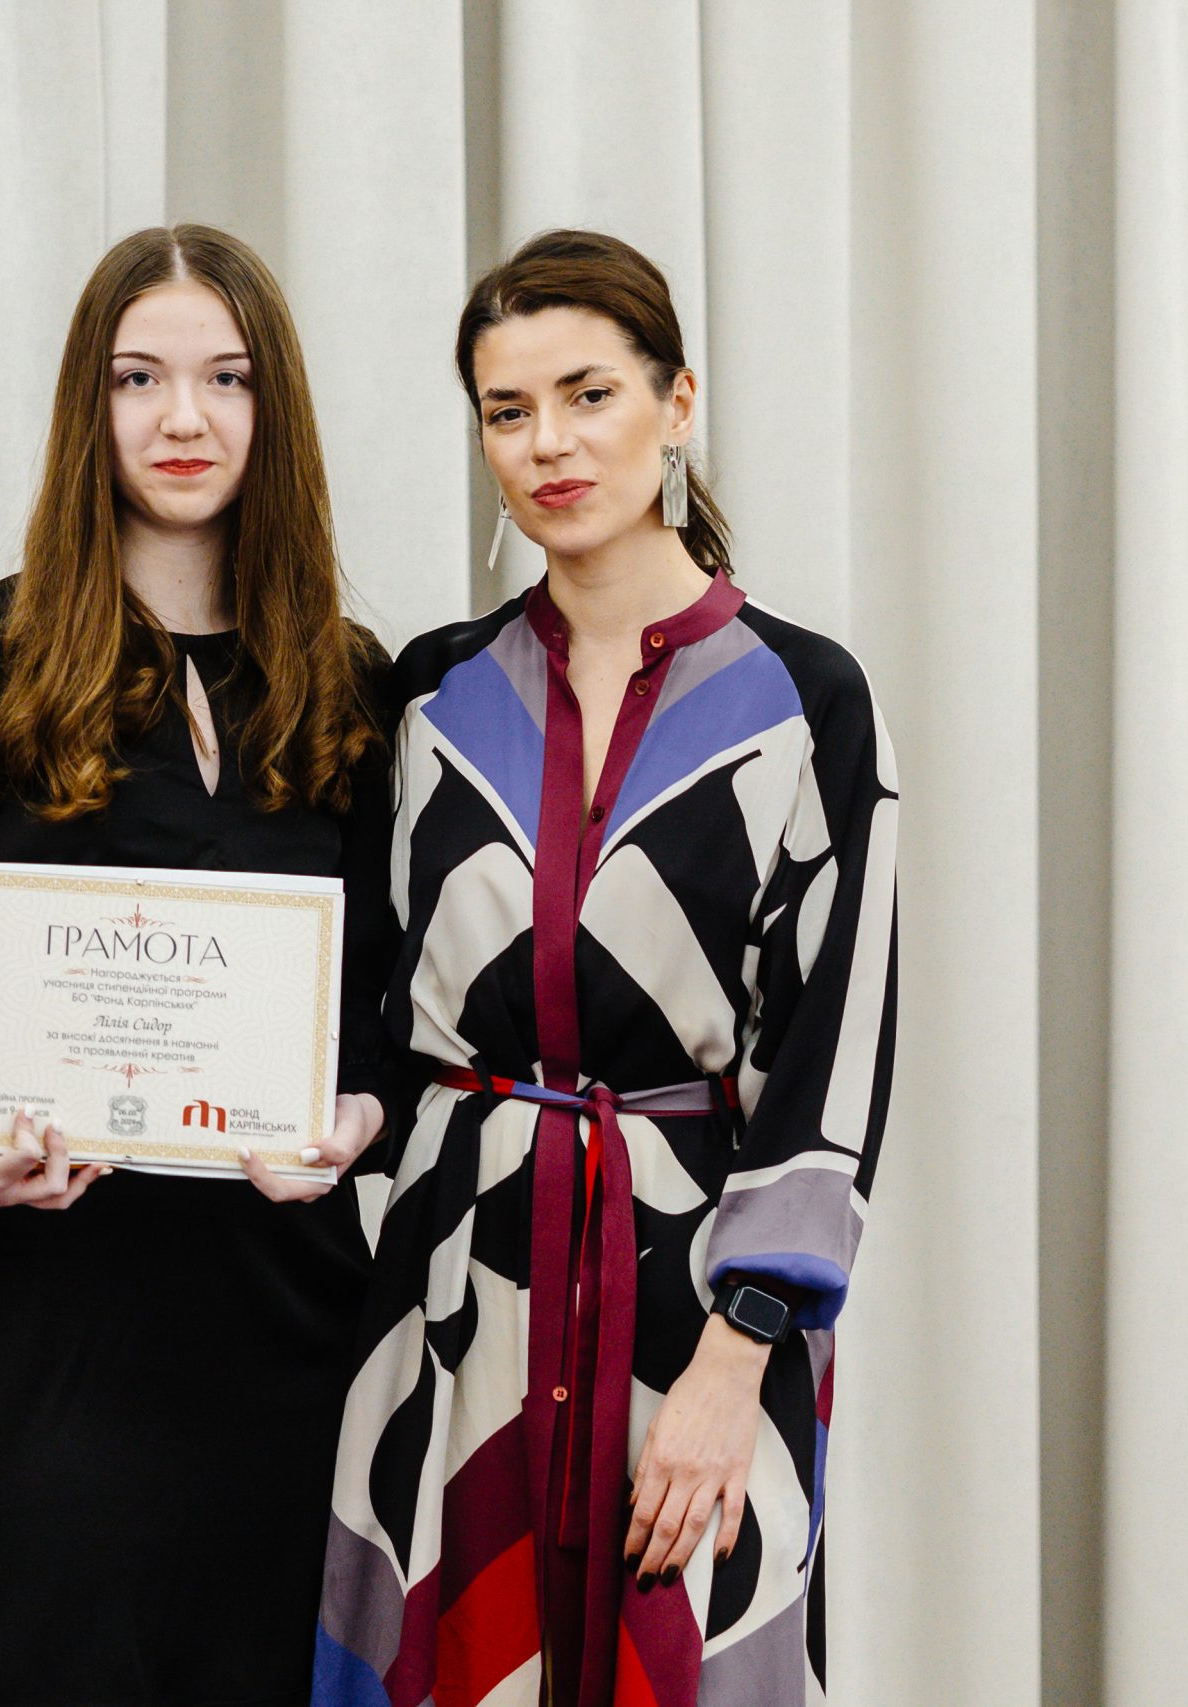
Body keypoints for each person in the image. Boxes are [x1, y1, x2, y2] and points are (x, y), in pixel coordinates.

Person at [311, 230, 898, 1707]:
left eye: (589, 395)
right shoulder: (430, 694)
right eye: (507, 411)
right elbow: (372, 997)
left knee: (683, 1662)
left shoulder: (804, 700)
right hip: (453, 1291)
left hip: (692, 1298)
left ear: (676, 402)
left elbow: (831, 1048)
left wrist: (740, 1356)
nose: (549, 444)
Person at [0, 223, 395, 1707]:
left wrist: (355, 1120)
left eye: (226, 378)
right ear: (91, 400)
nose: (183, 418)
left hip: (285, 1332)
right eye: (139, 378)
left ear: (275, 409)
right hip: (49, 1335)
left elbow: (387, 1020)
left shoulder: (349, 682)